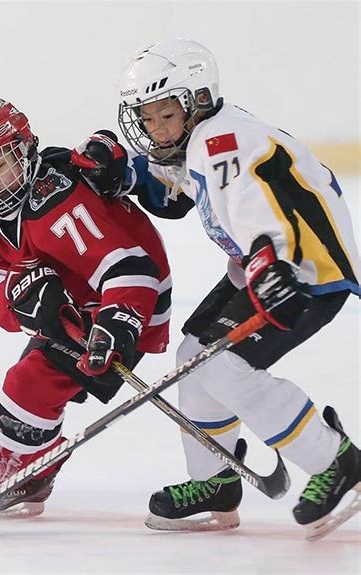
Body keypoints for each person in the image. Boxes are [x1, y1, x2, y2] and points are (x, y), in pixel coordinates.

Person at [82, 38, 360, 536]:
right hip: (266, 264)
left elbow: (258, 205)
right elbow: (175, 191)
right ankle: (215, 480)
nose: (156, 128)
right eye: (147, 118)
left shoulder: (224, 140)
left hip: (305, 271)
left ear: (199, 100)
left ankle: (334, 460)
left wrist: (271, 266)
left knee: (226, 368)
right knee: (194, 355)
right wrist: (121, 171)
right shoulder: (205, 137)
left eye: (166, 115)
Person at [0, 96, 172, 530]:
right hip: (79, 308)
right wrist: (22, 305)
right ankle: (33, 477)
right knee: (33, 391)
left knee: (27, 383)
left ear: (24, 149)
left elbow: (129, 267)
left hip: (128, 306)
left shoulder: (58, 201)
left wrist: (119, 321)